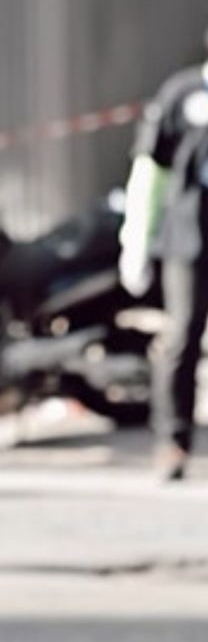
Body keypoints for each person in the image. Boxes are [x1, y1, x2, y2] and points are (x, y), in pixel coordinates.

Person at [119, 32, 208, 482]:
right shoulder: (185, 95)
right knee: (182, 336)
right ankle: (171, 442)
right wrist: (136, 239)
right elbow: (151, 171)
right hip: (189, 237)